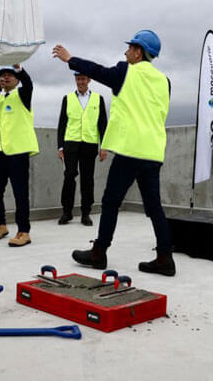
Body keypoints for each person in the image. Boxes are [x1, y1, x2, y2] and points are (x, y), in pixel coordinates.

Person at [52, 29, 175, 277]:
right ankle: (165, 258)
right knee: (154, 208)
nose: (125, 51)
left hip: (130, 150)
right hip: (153, 153)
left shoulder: (125, 71)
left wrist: (70, 59)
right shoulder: (165, 81)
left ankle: (99, 253)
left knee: (110, 202)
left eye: (130, 47)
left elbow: (98, 71)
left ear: (139, 52)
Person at [0, 64, 39, 247]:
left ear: (16, 79)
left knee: (20, 193)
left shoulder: (22, 95)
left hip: (18, 152)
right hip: (0, 151)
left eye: (9, 76)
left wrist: (19, 68)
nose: (5, 78)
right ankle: (0, 225)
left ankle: (23, 231)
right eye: (2, 76)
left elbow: (29, 84)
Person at [56, 71, 108, 226]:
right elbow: (62, 124)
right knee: (69, 175)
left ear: (89, 80)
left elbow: (103, 125)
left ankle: (86, 213)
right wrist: (60, 147)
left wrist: (103, 146)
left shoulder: (98, 99)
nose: (80, 82)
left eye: (83, 79)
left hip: (89, 145)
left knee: (87, 179)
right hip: (70, 144)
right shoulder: (68, 98)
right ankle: (67, 212)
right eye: (78, 79)